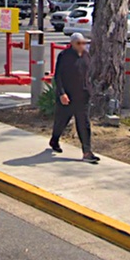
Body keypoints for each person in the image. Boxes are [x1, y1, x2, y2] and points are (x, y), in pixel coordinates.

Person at [50, 32, 100, 163]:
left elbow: (89, 74)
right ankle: (54, 140)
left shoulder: (86, 56)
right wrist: (62, 93)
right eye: (79, 43)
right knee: (61, 121)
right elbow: (58, 76)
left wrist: (90, 89)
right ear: (72, 44)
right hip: (67, 96)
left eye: (83, 43)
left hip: (83, 96)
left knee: (84, 124)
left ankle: (87, 152)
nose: (82, 46)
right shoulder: (64, 56)